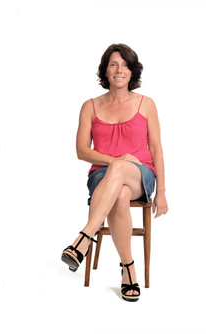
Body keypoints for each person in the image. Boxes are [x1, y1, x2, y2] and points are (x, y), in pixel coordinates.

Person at [61, 43, 168, 302]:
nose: (119, 70)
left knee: (120, 170)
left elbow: (156, 148)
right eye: (113, 64)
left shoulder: (146, 104)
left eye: (125, 65)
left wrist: (162, 191)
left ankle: (84, 237)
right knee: (119, 193)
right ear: (105, 71)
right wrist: (114, 160)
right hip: (101, 176)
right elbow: (81, 151)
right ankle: (129, 270)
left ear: (132, 72)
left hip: (140, 174)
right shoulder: (90, 106)